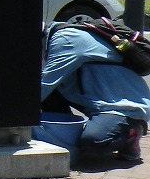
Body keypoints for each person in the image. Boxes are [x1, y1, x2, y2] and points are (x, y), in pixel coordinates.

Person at [39, 24, 150, 160]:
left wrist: (17, 120)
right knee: (48, 95)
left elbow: (45, 83)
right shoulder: (56, 38)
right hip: (97, 99)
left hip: (124, 106)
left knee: (93, 142)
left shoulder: (66, 39)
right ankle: (70, 132)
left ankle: (132, 132)